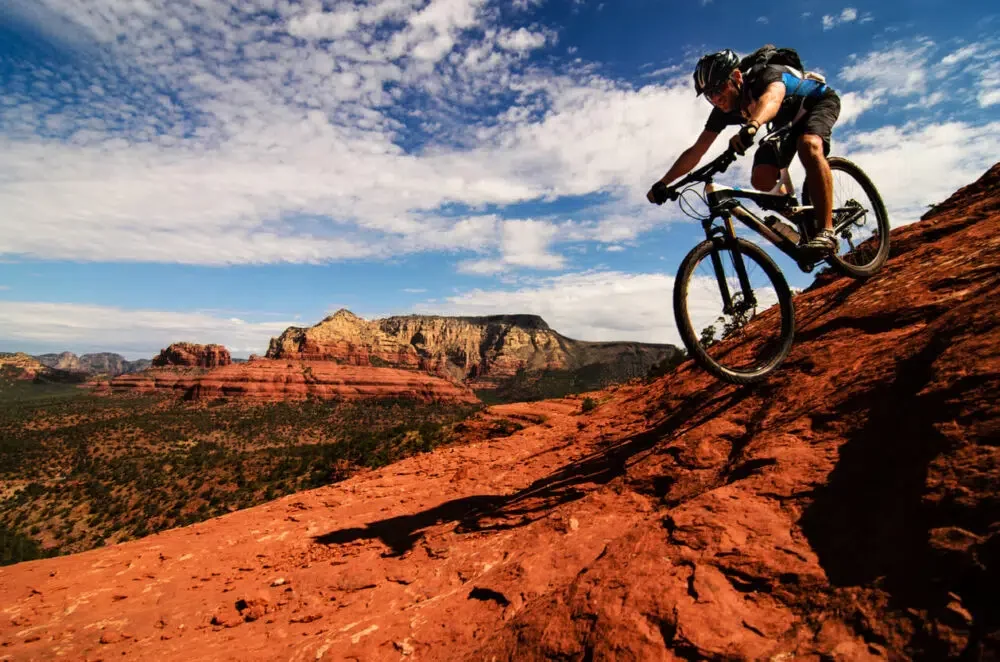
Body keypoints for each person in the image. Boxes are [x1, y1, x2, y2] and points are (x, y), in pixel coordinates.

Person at [647, 48, 842, 255]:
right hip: (783, 125)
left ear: (737, 77)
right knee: (761, 179)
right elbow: (697, 150)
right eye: (709, 94)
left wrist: (753, 125)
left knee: (809, 144)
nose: (716, 98)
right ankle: (801, 218)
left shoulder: (765, 76)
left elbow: (772, 99)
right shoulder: (722, 112)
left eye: (719, 88)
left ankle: (827, 231)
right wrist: (664, 183)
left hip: (816, 103)